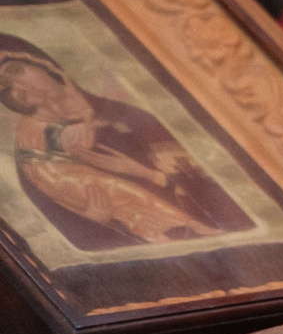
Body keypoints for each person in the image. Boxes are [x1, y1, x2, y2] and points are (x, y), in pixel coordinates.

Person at [0, 36, 251, 250]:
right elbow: (69, 232)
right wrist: (95, 220)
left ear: (42, 63)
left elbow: (216, 189)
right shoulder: (33, 155)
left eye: (17, 71)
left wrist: (143, 173)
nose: (23, 86)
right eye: (11, 89)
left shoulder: (127, 117)